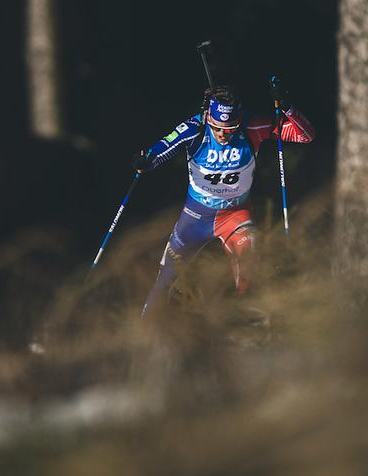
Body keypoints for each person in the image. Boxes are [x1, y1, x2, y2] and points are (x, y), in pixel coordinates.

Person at [133, 83, 314, 317]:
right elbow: (162, 149)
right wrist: (145, 161)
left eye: (230, 129)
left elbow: (305, 135)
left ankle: (245, 327)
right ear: (208, 117)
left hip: (235, 215)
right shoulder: (195, 128)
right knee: (166, 277)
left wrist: (288, 109)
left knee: (250, 268)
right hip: (195, 218)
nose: (223, 134)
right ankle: (146, 330)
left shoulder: (251, 127)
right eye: (218, 128)